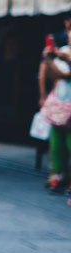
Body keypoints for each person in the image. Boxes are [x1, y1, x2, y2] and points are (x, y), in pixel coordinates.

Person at [39, 13, 71, 193]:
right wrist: (50, 59)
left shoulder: (65, 55)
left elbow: (66, 75)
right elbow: (54, 75)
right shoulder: (63, 50)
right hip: (60, 102)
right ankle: (56, 176)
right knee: (56, 143)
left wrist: (65, 61)